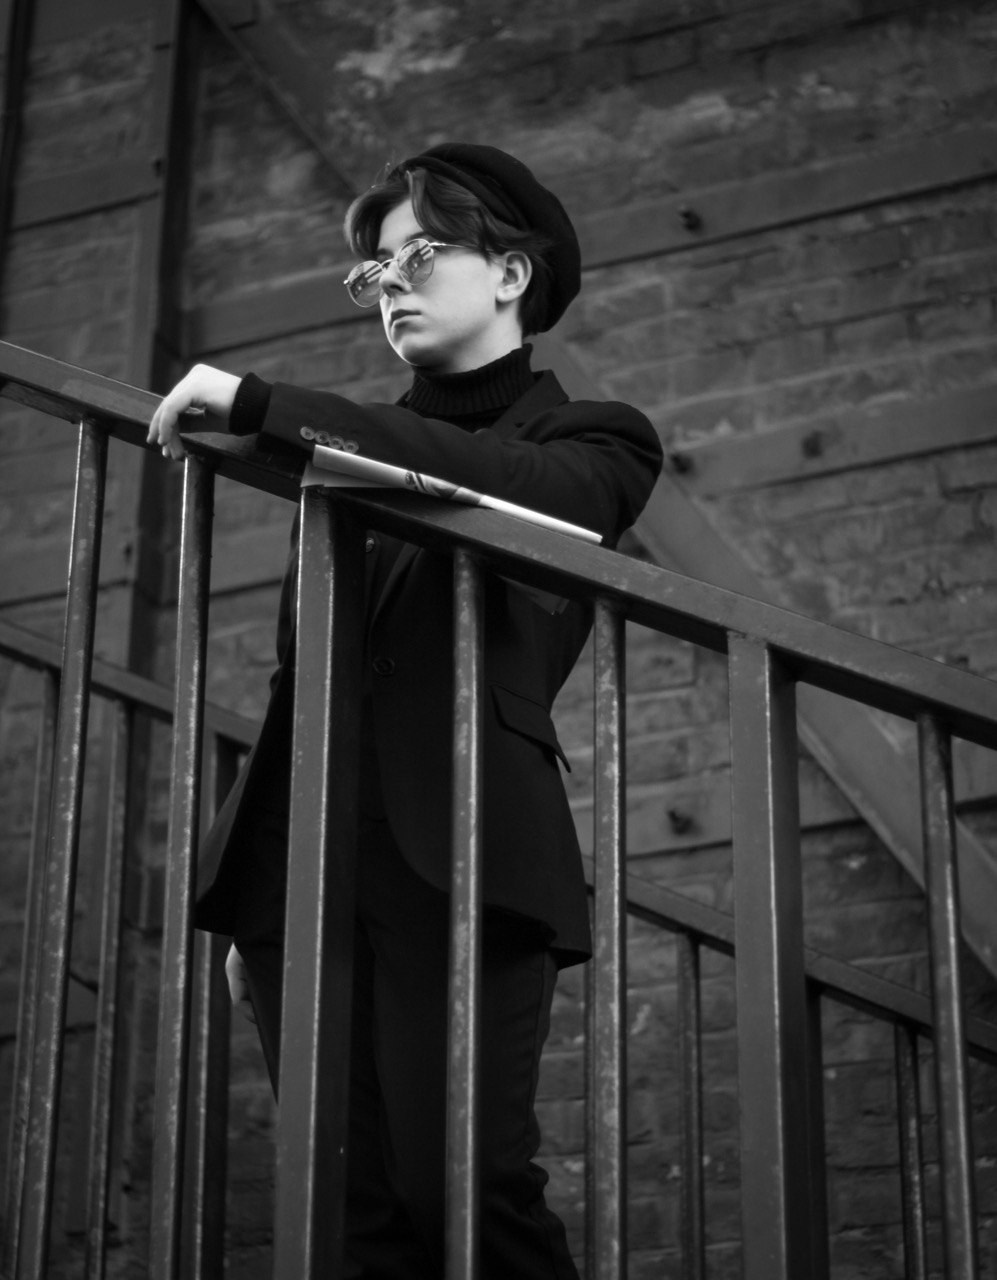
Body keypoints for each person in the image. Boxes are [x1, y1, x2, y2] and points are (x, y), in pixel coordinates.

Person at [148, 142, 663, 1279]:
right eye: (375, 271)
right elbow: (306, 678)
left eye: (420, 257)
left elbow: (521, 496)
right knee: (348, 1224)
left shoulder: (596, 440)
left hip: (466, 862)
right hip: (307, 880)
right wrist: (264, 884)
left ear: (511, 274)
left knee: (464, 1195)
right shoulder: (335, 458)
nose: (391, 286)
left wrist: (270, 408)